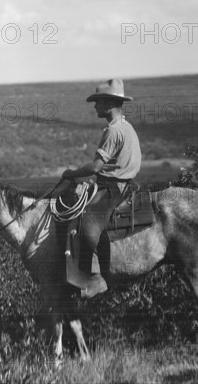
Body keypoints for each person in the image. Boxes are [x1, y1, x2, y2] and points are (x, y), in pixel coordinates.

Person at [61, 78, 141, 294]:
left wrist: (73, 173)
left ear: (109, 103)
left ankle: (96, 277)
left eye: (98, 102)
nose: (95, 106)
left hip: (114, 187)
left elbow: (96, 167)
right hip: (125, 183)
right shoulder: (126, 127)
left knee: (86, 221)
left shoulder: (113, 131)